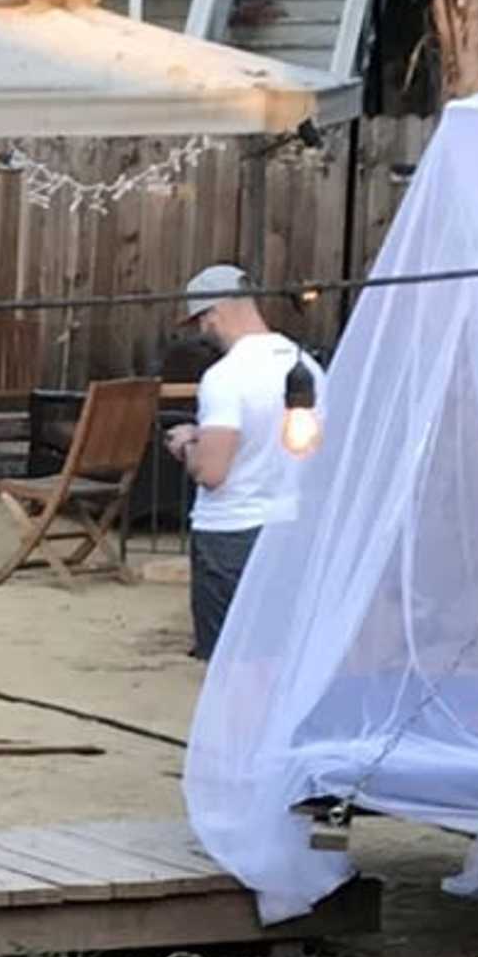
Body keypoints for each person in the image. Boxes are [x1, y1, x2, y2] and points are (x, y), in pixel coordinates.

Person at [168, 259, 308, 659]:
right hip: (289, 527)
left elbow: (212, 472)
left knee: (233, 662)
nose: (201, 331)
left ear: (213, 314)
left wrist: (186, 445)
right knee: (278, 654)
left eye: (199, 320)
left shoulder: (227, 377)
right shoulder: (304, 366)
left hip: (232, 534)